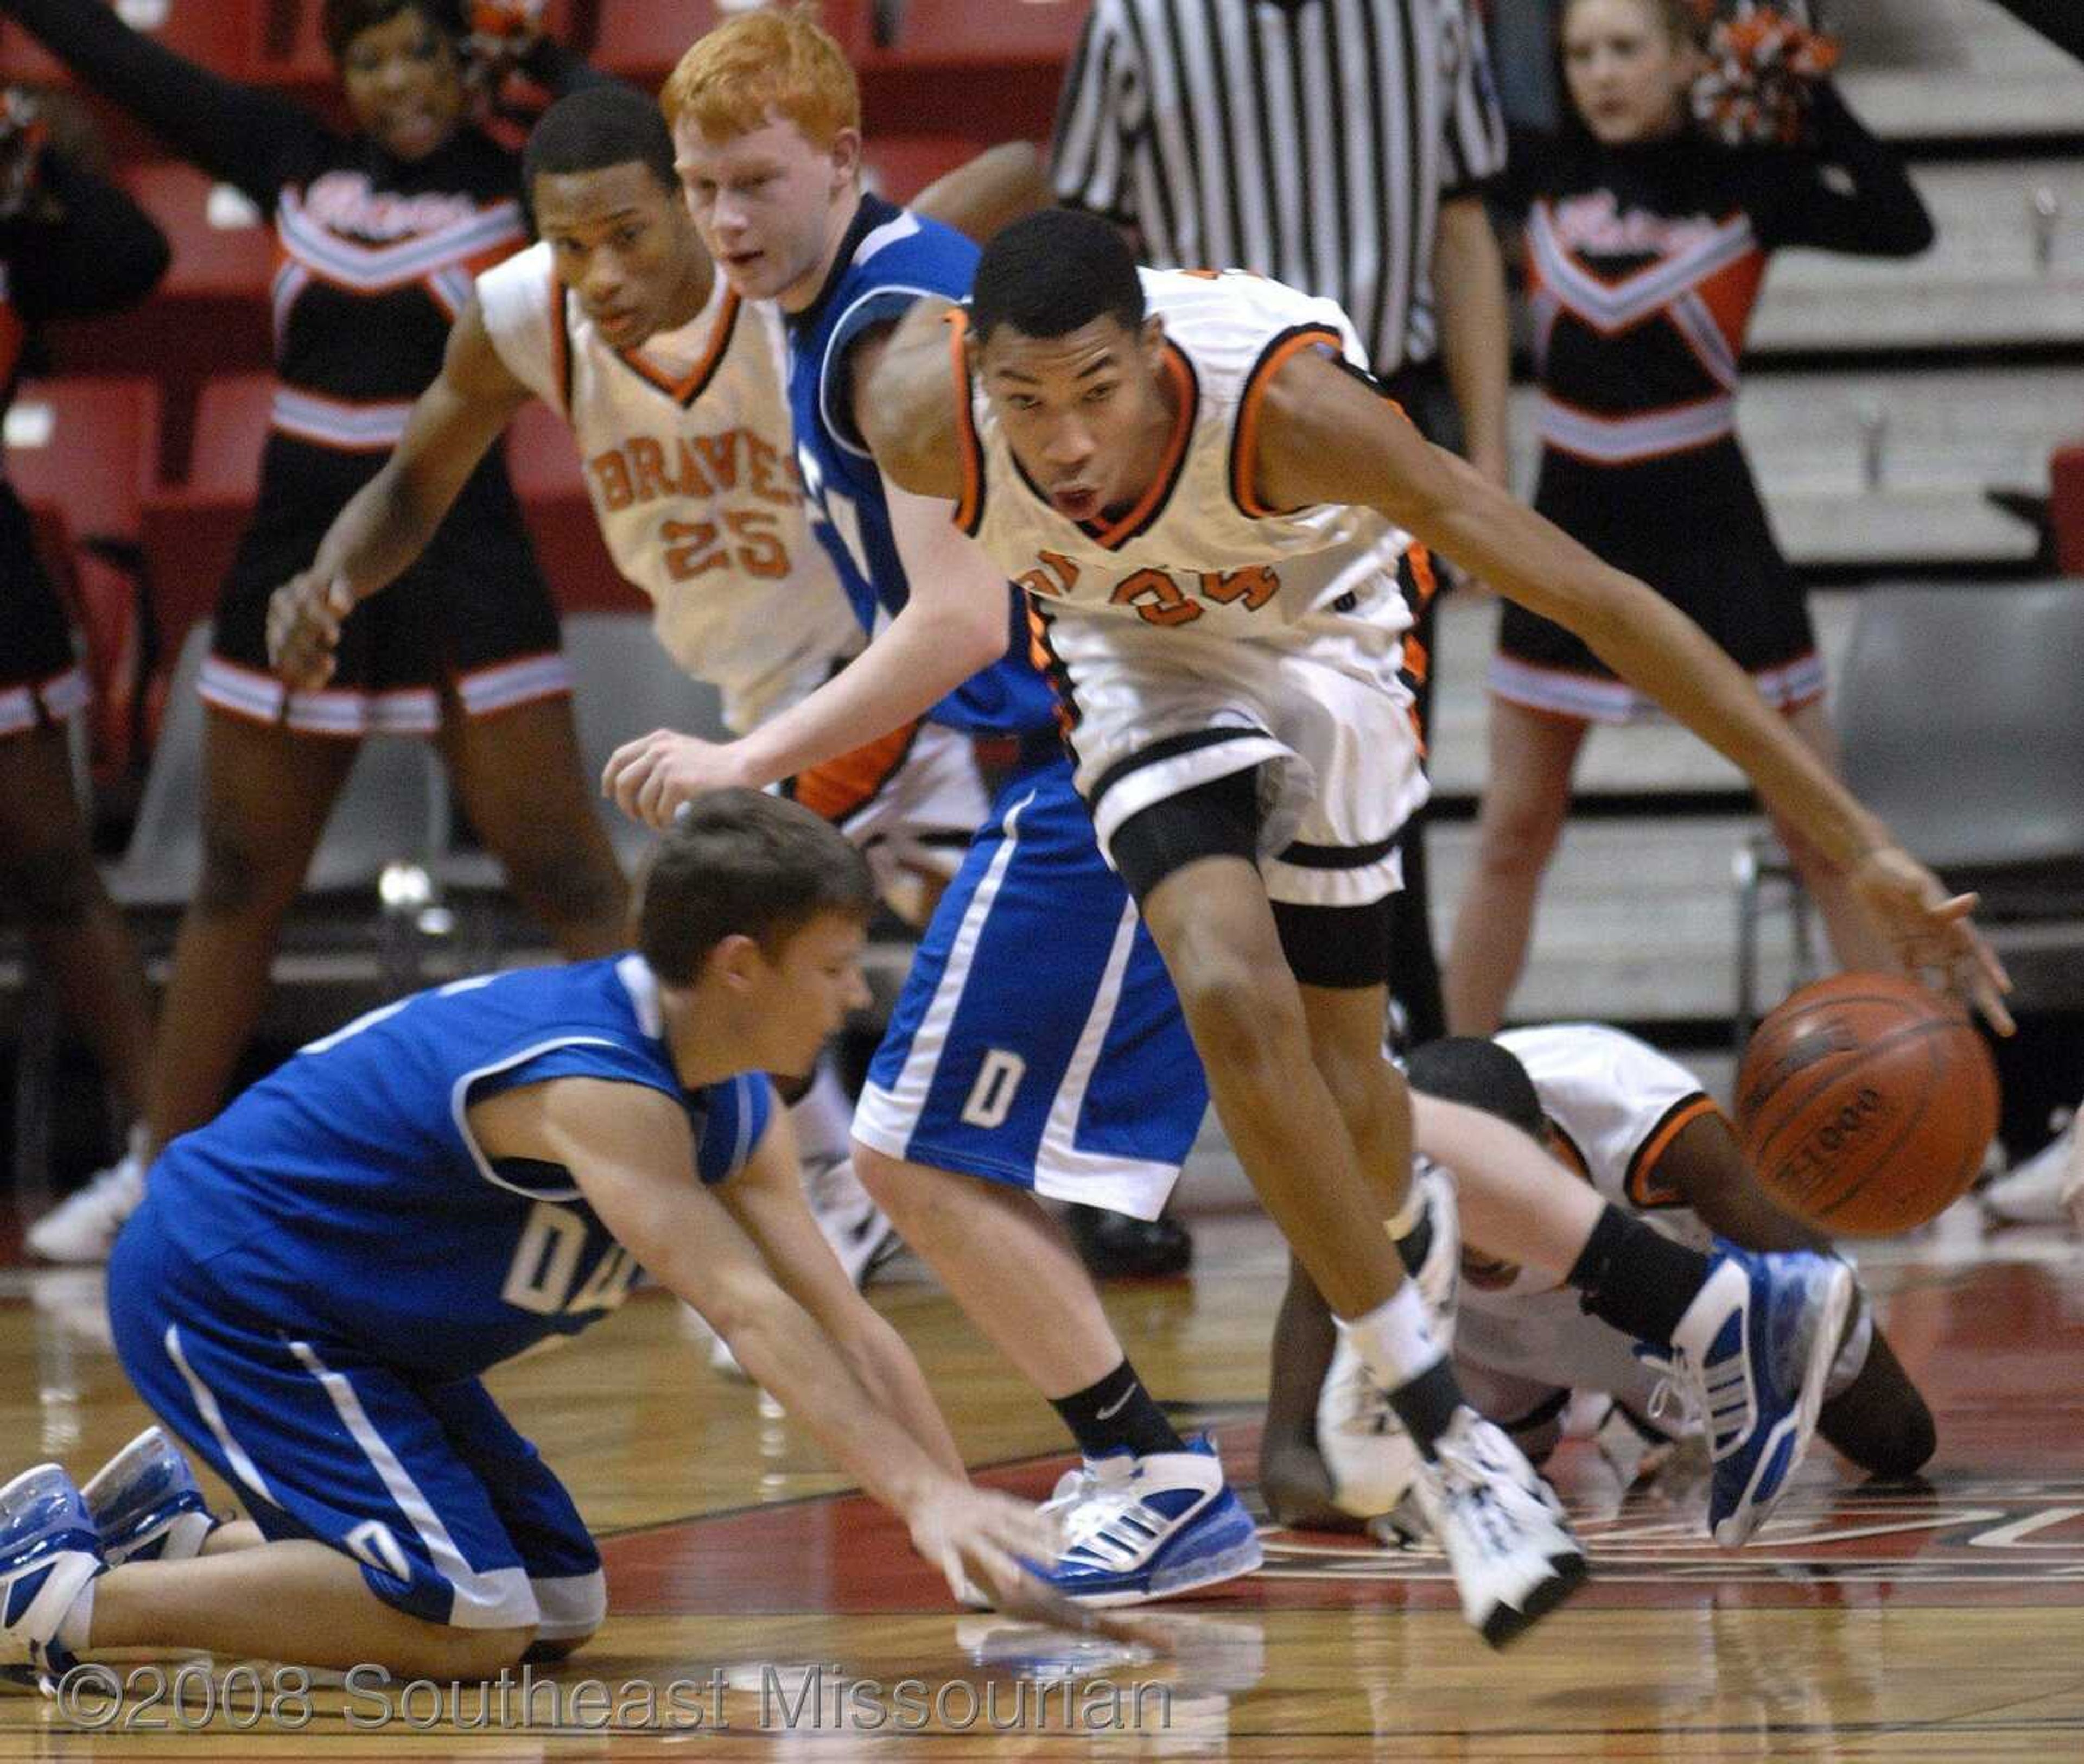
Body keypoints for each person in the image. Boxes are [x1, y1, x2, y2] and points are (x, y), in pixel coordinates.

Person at [613, 16, 2004, 1639]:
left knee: (1357, 1096)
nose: (1058, 442)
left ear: (1148, 356)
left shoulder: (1290, 412)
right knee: (1216, 982)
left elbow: (1609, 603)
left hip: (1325, 645)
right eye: (1023, 403)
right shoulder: (918, 413)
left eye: (1092, 395)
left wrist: (1857, 843)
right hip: (1135, 662)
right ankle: (1442, 1435)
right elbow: (970, 411)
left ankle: (1710, 1310)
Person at [620, 9, 1266, 1618]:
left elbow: (958, 623)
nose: (724, 220)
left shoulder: (884, 334)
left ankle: (1151, 1471)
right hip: (1116, 732)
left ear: (843, 159)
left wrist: (749, 758)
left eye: (755, 180)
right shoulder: (840, 287)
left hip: (1107, 746)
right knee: (1332, 1113)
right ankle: (1677, 1301)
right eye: (699, 186)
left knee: (910, 1154)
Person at [0, 791, 1125, 1685]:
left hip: (360, 1326)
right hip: (231, 1283)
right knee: (468, 1616)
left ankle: (167, 1542)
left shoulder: (736, 1093)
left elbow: (846, 1318)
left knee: (555, 1596)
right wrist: (921, 1499)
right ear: (739, 965)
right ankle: (55, 1600)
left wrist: (961, 1528)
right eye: (832, 965)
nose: (848, 996)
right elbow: (746, 1309)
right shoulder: (600, 1084)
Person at [263, 85, 1053, 1290]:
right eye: (571, 243)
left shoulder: (789, 275)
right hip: (761, 687)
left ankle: (835, 1210)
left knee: (702, 925)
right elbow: (415, 486)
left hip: (872, 666)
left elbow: (1008, 164)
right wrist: (328, 577)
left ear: (694, 203)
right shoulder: (524, 315)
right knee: (979, 929)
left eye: (629, 233)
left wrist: (1030, 203)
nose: (601, 272)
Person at [7, 0, 631, 1265]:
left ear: (466, 66)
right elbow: (137, 68)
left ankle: (698, 1147)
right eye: (372, 57)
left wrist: (547, 61)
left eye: (422, 53)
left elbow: (644, 150)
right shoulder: (293, 159)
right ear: (342, 75)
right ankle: (159, 1176)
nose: (398, 80)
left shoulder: (523, 184)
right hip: (295, 553)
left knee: (567, 874)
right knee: (240, 879)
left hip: (463, 552)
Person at [1048, 0, 1516, 1270]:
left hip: (1365, 433)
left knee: (1365, 819)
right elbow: (1084, 238)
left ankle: (1409, 1144)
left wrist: (1482, 457)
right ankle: (1127, 1159)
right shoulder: (1137, 23)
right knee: (1173, 832)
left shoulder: (1428, 17)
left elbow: (1463, 225)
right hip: (1179, 433)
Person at [1440, 0, 1935, 1036]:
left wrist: (1815, 96)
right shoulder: (1530, 174)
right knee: (1512, 831)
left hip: (1714, 529)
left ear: (1681, 58)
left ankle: (1922, 1093)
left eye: (1626, 49)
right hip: (1568, 532)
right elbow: (1441, 234)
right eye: (1581, 54)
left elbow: (1904, 225)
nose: (1602, 74)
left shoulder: (1748, 181)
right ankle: (1449, 1098)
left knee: (1821, 833)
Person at [1260, 1027, 1939, 1534]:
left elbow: (1820, 1293)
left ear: (1545, 1157)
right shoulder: (1353, 1177)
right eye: (1447, 1202)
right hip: (1487, 1343)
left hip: (1674, 1308)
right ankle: (1592, 1412)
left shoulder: (1637, 1111)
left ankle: (1664, 1390)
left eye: (1485, 1200)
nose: (1475, 1237)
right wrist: (1420, 1504)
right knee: (1491, 1494)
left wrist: (1754, 1403)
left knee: (1899, 1439)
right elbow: (1286, 1469)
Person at [0, 90, 167, 1163]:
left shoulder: (18, 235)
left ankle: (172, 1143)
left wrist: (36, 147)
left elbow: (133, 254)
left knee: (57, 870)